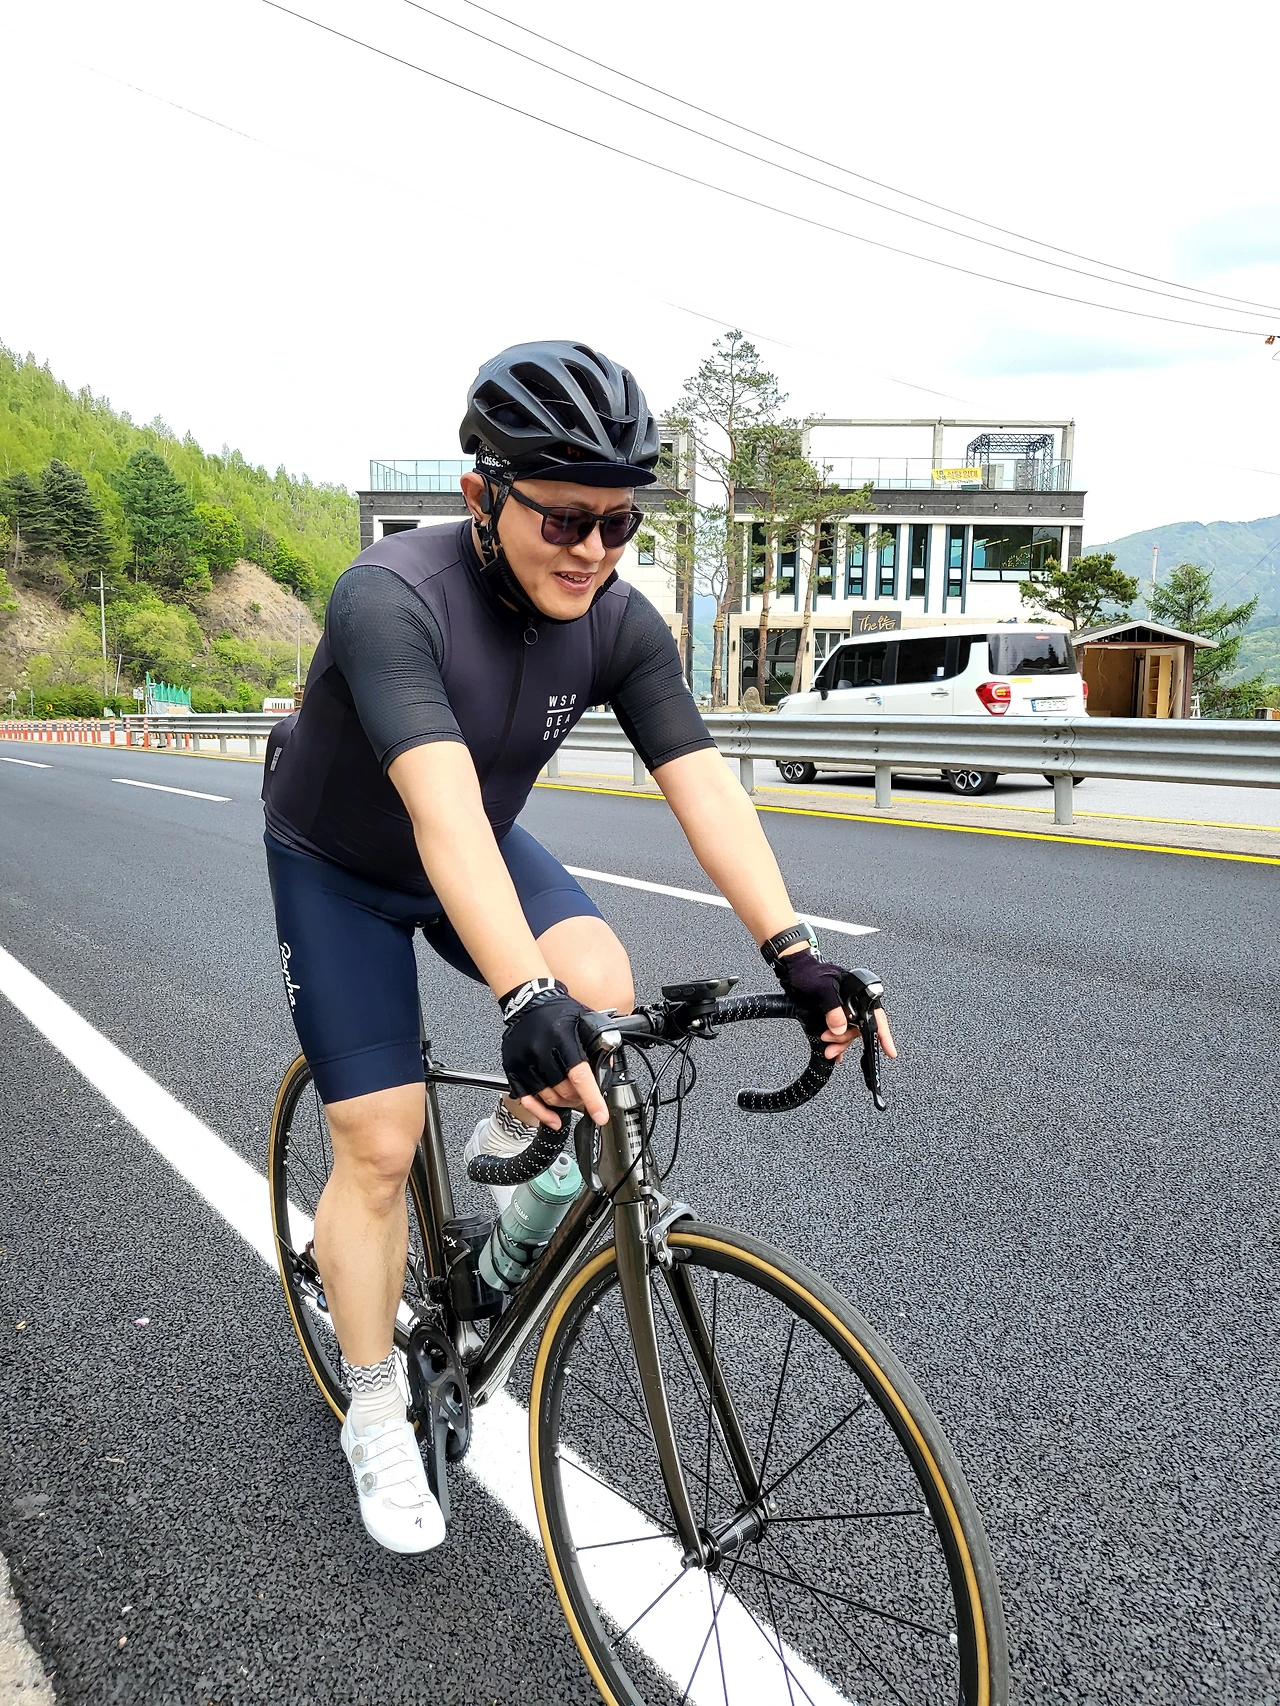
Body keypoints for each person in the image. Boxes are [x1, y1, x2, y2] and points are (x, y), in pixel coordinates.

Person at [261, 339, 895, 1554]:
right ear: (480, 494)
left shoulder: (615, 621)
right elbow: (441, 812)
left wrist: (796, 951)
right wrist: (520, 995)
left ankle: (507, 1221)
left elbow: (706, 788)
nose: (592, 550)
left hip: (476, 844)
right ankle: (376, 1404)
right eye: (562, 518)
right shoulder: (391, 597)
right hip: (343, 867)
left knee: (599, 991)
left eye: (618, 523)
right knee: (380, 1141)